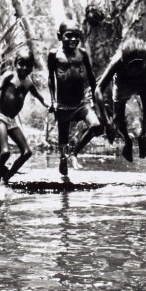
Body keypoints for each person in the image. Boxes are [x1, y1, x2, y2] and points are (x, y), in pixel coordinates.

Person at [0, 51, 49, 187]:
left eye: (28, 65)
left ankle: (6, 177)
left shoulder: (28, 83)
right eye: (21, 64)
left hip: (11, 120)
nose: (24, 68)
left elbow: (41, 98)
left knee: (27, 152)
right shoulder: (9, 76)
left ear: (32, 67)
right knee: (5, 152)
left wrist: (49, 105)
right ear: (15, 64)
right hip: (0, 116)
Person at [95, 37, 146, 163]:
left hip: (144, 80)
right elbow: (98, 89)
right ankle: (127, 141)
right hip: (123, 80)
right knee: (118, 119)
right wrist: (106, 121)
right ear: (124, 61)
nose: (135, 71)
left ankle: (142, 135)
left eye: (139, 66)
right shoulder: (117, 61)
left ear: (145, 61)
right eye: (131, 67)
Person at [47, 19, 102, 176]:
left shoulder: (82, 53)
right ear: (60, 36)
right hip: (63, 104)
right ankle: (64, 157)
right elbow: (51, 78)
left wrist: (96, 100)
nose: (73, 39)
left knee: (96, 126)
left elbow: (91, 77)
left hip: (81, 102)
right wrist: (53, 101)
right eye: (69, 35)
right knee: (63, 139)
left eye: (76, 36)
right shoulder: (54, 54)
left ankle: (74, 153)